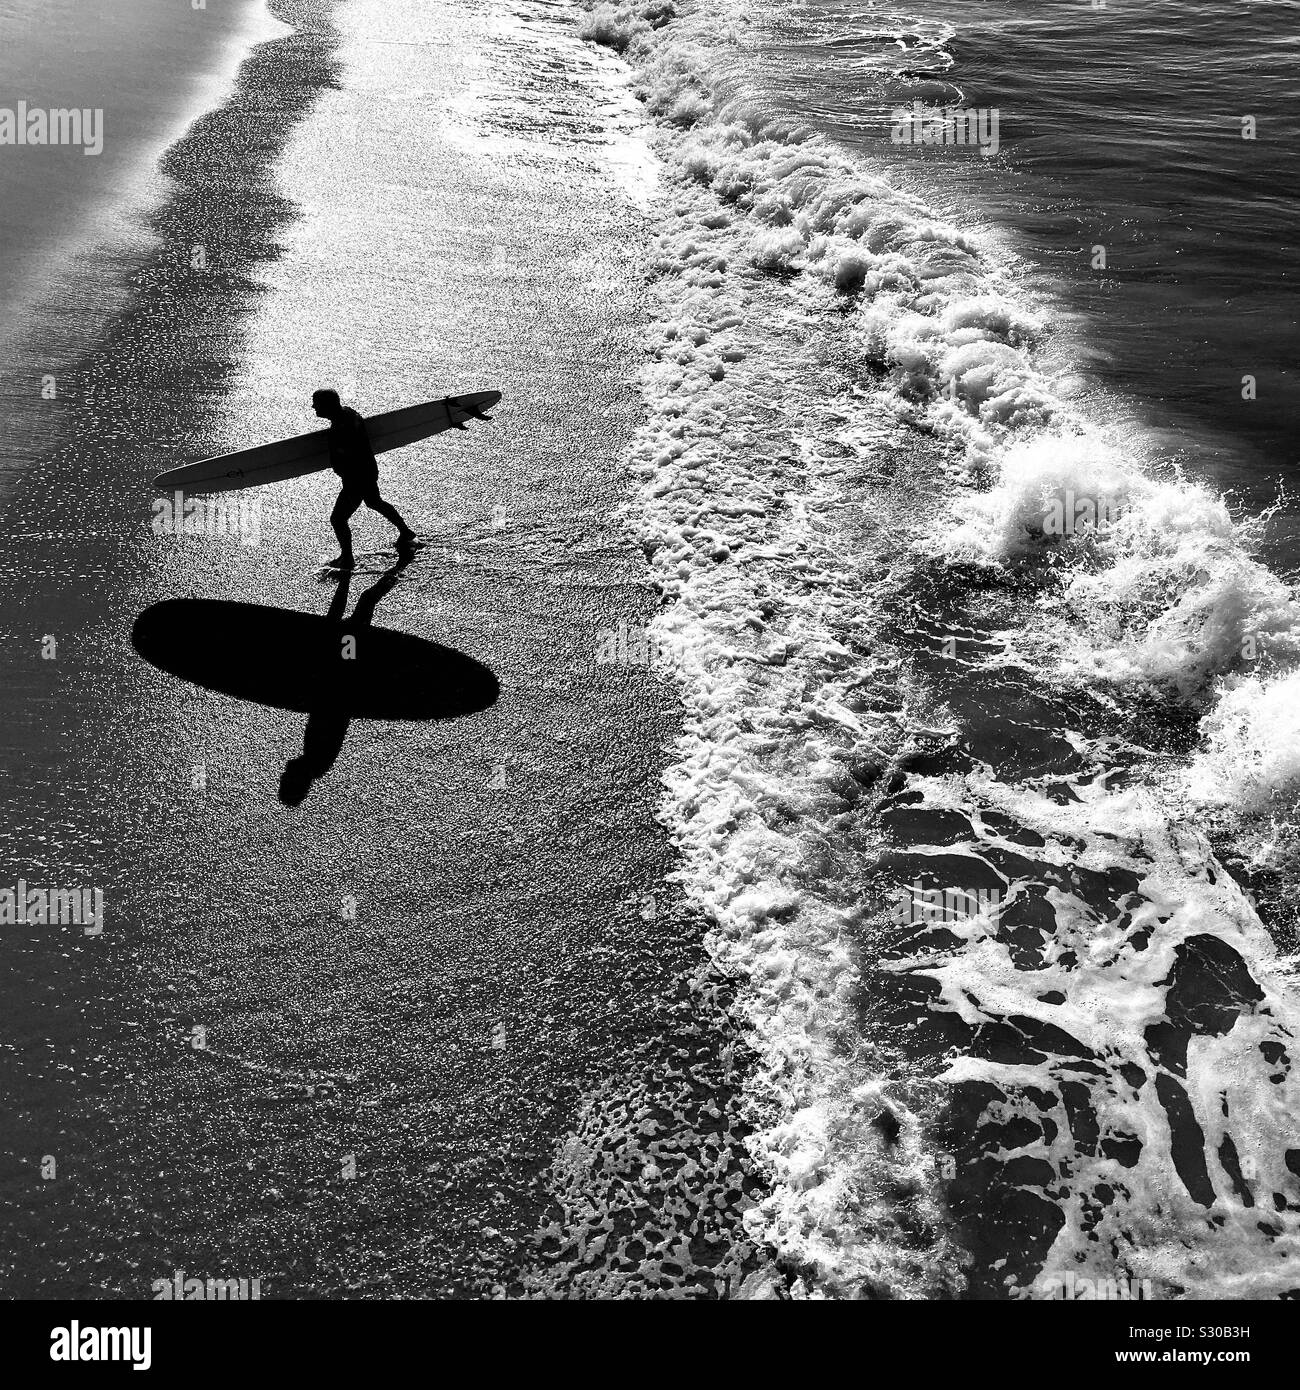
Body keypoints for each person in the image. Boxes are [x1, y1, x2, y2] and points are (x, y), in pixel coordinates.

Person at [312, 388, 416, 569]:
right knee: (374, 502)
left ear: (328, 405)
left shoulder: (341, 427)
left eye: (317, 403)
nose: (313, 406)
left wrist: (341, 465)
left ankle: (347, 558)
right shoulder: (349, 414)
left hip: (356, 478)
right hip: (367, 472)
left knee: (338, 519)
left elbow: (349, 453)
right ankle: (405, 532)